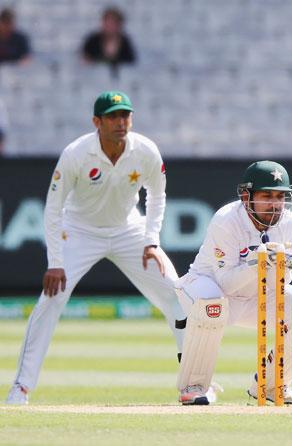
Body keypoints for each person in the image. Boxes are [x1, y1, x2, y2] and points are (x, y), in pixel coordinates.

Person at [5, 91, 187, 405]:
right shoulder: (76, 154)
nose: (121, 122)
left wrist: (151, 241)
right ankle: (21, 387)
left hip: (129, 229)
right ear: (96, 122)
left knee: (178, 294)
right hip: (79, 230)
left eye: (125, 115)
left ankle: (194, 384)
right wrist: (55, 261)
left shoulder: (146, 151)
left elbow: (157, 196)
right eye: (113, 116)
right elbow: (53, 208)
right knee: (50, 301)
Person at [174, 160, 292, 405]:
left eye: (280, 197)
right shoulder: (226, 220)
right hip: (203, 286)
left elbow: (280, 285)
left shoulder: (290, 222)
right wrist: (259, 261)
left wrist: (288, 263)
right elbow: (225, 283)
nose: (274, 204)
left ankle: (272, 384)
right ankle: (194, 387)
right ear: (246, 196)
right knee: (211, 305)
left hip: (254, 298)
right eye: (266, 195)